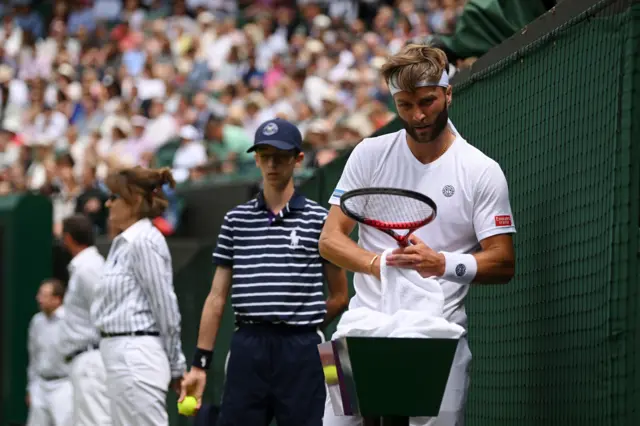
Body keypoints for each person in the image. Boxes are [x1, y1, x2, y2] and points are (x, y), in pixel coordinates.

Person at [318, 44, 517, 426]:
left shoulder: (481, 170)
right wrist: (377, 264)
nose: (418, 115)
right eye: (405, 105)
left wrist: (441, 263)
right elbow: (330, 239)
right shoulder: (367, 154)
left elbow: (503, 261)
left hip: (440, 336)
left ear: (448, 93)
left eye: (427, 101)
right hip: (359, 328)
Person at [180, 118, 349, 426]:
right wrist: (199, 365)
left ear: (298, 159)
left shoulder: (318, 219)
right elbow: (216, 297)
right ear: (255, 158)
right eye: (265, 155)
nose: (272, 164)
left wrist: (301, 321)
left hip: (303, 350)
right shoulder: (235, 220)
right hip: (249, 346)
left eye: (281, 156)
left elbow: (340, 296)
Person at [91, 166, 186, 426]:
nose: (107, 204)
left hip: (136, 355)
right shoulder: (123, 243)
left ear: (133, 200)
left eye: (114, 197)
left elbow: (165, 305)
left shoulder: (144, 240)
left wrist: (176, 364)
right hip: (118, 355)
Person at [59, 214, 110, 425]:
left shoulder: (88, 267)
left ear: (68, 238)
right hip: (84, 359)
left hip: (92, 359)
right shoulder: (84, 266)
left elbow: (106, 311)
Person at [26, 279, 73, 426]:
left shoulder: (69, 321)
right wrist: (31, 387)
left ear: (57, 299)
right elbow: (33, 356)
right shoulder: (37, 322)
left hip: (64, 384)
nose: (39, 299)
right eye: (40, 294)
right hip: (40, 384)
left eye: (44, 295)